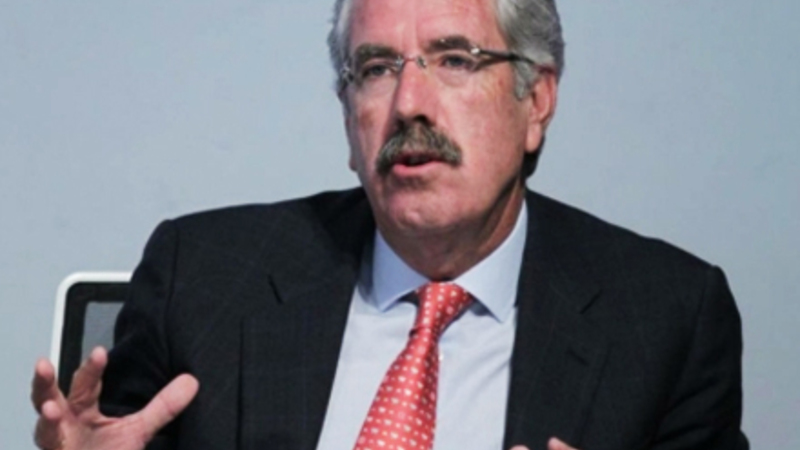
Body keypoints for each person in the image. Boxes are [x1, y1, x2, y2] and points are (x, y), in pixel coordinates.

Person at [31, 0, 748, 449]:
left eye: (455, 59)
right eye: (375, 68)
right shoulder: (203, 278)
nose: (409, 103)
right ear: (348, 117)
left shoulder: (667, 319)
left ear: (536, 101)